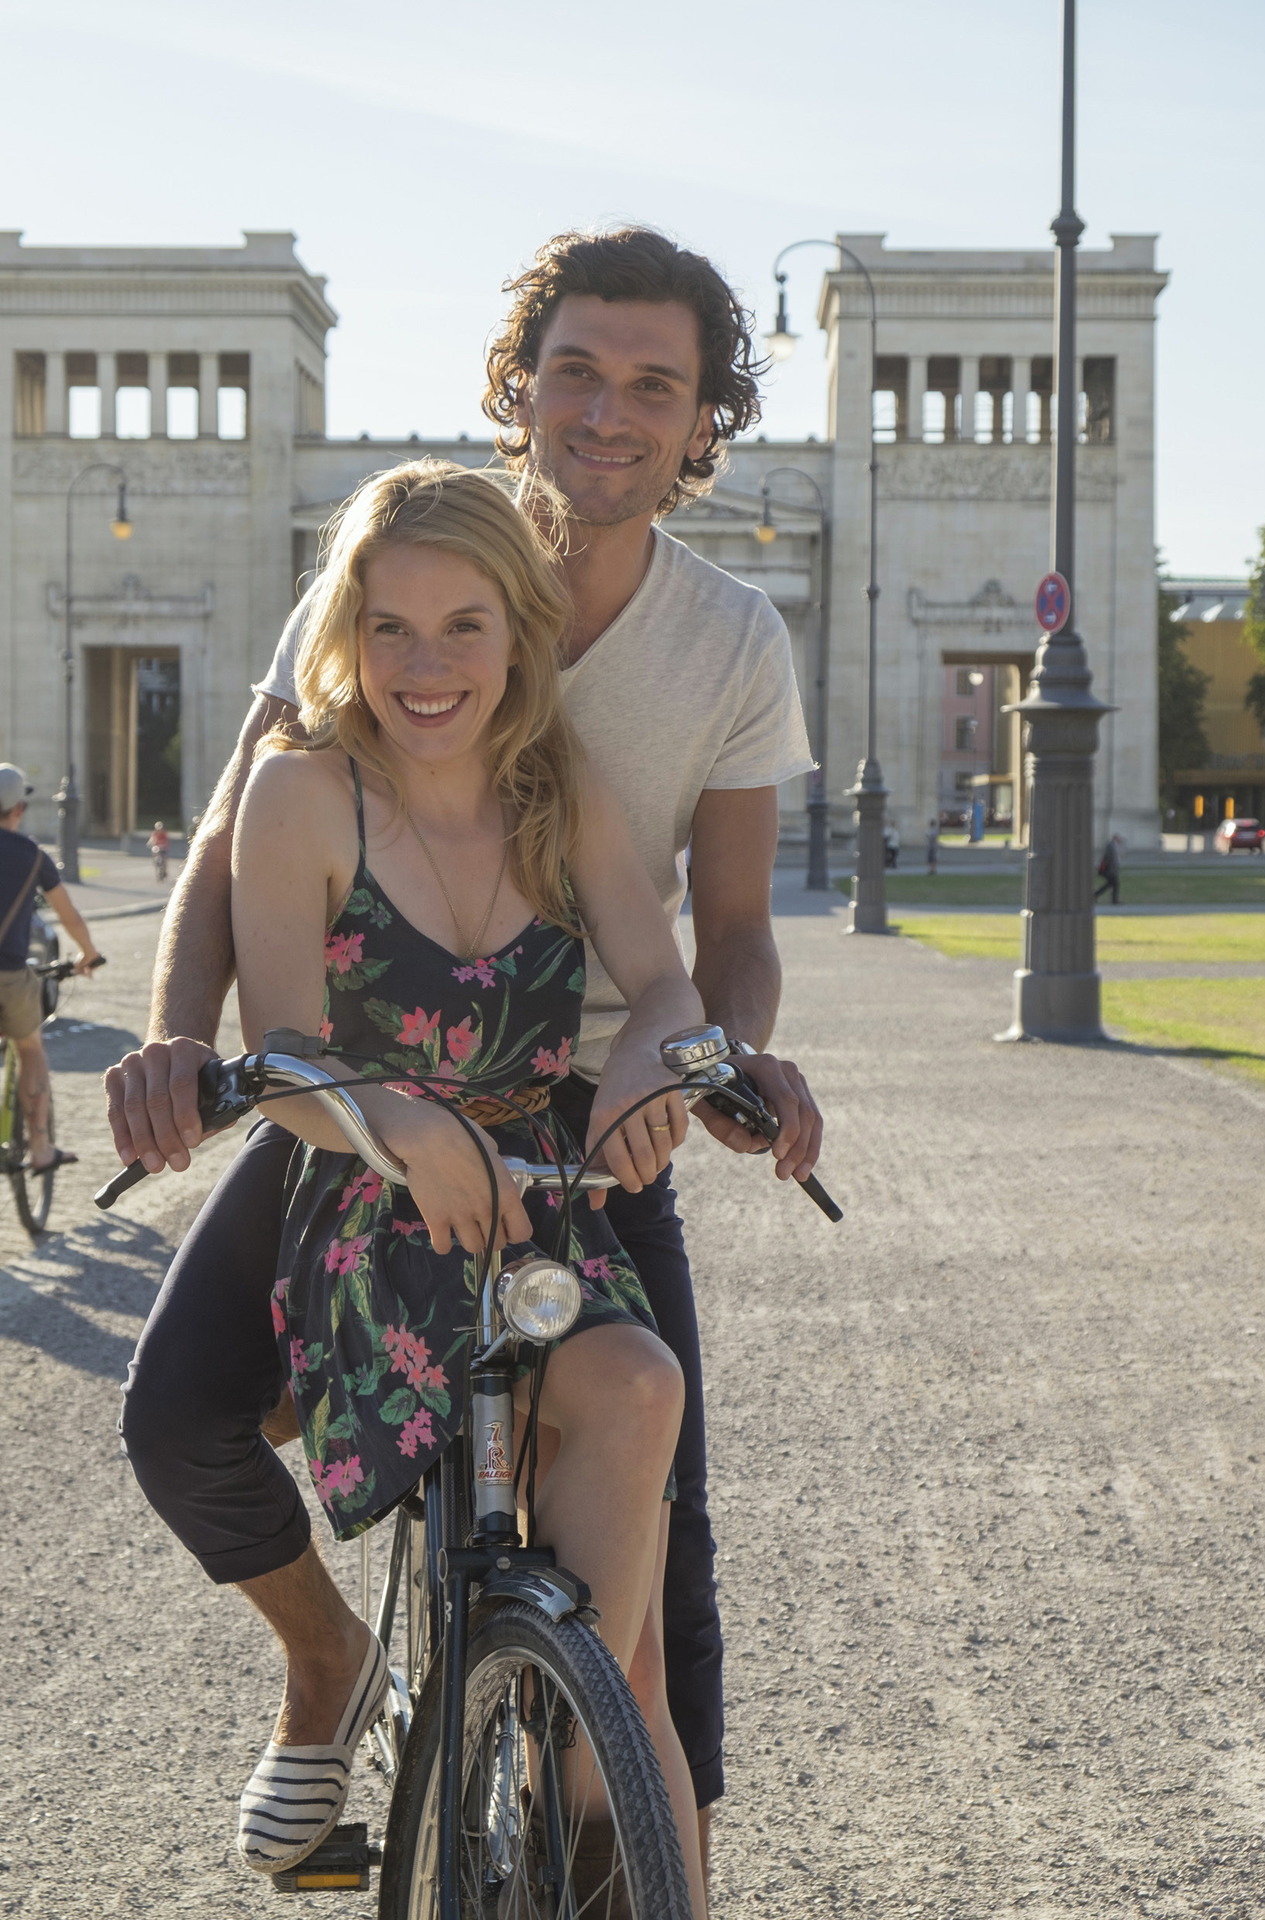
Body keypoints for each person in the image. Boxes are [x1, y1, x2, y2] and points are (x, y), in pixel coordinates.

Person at [110, 226, 822, 1873]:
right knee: (178, 1416)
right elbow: (232, 844)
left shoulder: (726, 643)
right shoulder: (384, 573)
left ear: (703, 419)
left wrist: (702, 1058)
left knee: (654, 1589)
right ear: (518, 386)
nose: (608, 410)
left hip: (582, 1116)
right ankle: (325, 1658)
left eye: (656, 383)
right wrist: (172, 1036)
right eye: (574, 368)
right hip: (371, 1105)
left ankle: (617, 1848)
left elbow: (725, 934)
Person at [128, 464, 717, 1897]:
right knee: (185, 1415)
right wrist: (400, 1116)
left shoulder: (554, 791)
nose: (425, 666)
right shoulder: (303, 790)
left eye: (462, 626)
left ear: (518, 631)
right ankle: (382, 1677)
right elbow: (281, 1055)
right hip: (364, 1197)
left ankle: (588, 1768)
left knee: (642, 1392)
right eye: (388, 629)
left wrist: (655, 1057)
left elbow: (663, 985)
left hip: (531, 1196)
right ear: (345, 633)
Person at [0, 764, 102, 1170]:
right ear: (19, 809)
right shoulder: (31, 856)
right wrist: (88, 954)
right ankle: (40, 1148)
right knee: (31, 1049)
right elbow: (69, 916)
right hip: (9, 976)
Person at [1095, 832, 1123, 905]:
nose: (1120, 839)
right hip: (1109, 870)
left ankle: (1095, 895)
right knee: (1115, 884)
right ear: (1115, 838)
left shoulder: (1114, 846)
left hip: (1112, 869)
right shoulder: (1110, 846)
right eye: (1119, 838)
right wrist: (1111, 869)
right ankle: (1114, 901)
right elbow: (1108, 858)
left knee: (1110, 884)